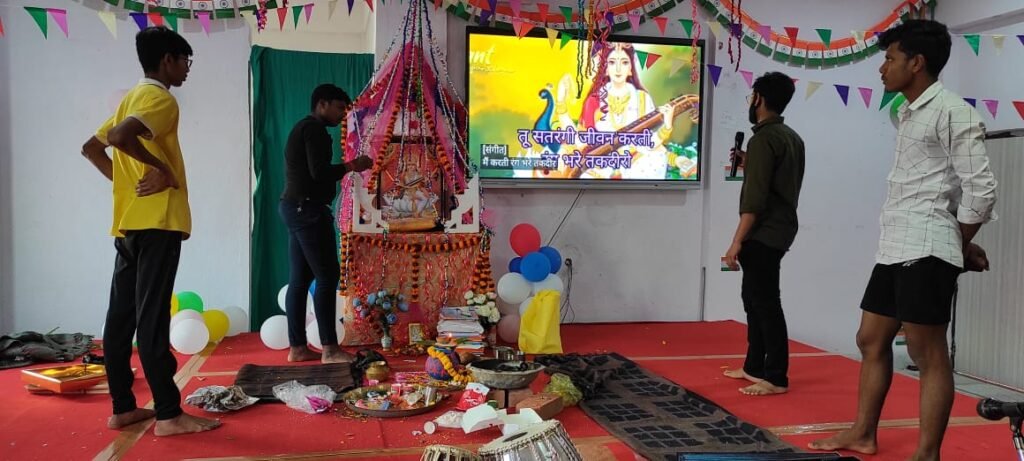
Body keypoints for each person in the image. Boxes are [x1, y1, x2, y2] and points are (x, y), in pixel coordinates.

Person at [809, 20, 996, 460]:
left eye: (890, 59)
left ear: (917, 63)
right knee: (870, 338)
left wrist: (956, 241)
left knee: (926, 351)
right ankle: (863, 433)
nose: (882, 68)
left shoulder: (954, 111)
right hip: (896, 242)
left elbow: (982, 190)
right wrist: (962, 244)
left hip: (927, 245)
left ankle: (926, 455)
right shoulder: (907, 111)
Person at [80, 26, 221, 436]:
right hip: (158, 224)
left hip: (128, 224)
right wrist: (161, 171)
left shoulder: (130, 100)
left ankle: (123, 407)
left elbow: (93, 147)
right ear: (167, 61)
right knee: (153, 317)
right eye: (185, 61)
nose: (187, 70)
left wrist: (127, 184)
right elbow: (122, 139)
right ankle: (168, 414)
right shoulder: (160, 99)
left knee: (121, 316)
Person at [722, 72, 805, 397]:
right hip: (781, 228)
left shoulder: (763, 140)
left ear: (759, 98)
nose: (750, 103)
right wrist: (748, 162)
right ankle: (754, 366)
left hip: (764, 232)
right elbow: (778, 179)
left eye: (750, 97)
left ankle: (776, 376)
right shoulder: (789, 137)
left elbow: (754, 202)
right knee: (753, 299)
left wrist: (736, 241)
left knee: (766, 303)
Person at [280, 84, 373, 363]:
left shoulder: (305, 128)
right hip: (306, 209)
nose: (342, 114)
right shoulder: (314, 130)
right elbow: (319, 173)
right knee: (327, 276)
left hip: (295, 207)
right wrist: (352, 165)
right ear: (322, 104)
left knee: (299, 281)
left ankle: (297, 347)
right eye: (339, 108)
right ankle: (330, 349)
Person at [551, 42, 675, 179]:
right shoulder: (594, 100)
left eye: (624, 62)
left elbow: (649, 142)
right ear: (605, 68)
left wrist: (667, 127)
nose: (618, 69)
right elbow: (581, 141)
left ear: (630, 68)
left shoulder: (642, 99)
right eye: (612, 62)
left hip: (636, 163)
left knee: (657, 158)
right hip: (601, 165)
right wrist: (561, 103)